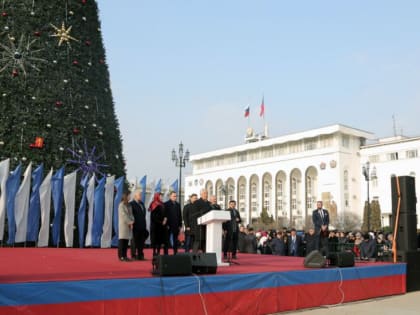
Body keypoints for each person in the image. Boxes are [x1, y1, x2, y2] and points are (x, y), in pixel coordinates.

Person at [190, 189, 212, 253]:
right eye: (204, 193)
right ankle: (194, 256)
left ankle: (205, 257)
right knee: (198, 241)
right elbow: (194, 214)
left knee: (205, 241)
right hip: (199, 226)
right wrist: (204, 211)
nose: (206, 195)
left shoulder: (209, 203)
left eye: (207, 193)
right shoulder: (197, 202)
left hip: (208, 225)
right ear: (201, 194)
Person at [129, 190, 148, 260]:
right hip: (135, 226)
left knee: (141, 241)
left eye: (141, 194)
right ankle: (133, 255)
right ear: (135, 196)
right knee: (134, 241)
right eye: (139, 195)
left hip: (142, 226)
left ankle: (140, 255)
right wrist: (131, 223)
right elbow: (130, 215)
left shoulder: (142, 204)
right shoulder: (131, 204)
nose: (141, 196)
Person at [118, 192, 134, 262]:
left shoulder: (129, 205)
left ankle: (125, 256)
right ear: (126, 196)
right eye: (129, 196)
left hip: (129, 225)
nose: (130, 197)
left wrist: (132, 221)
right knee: (122, 241)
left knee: (126, 241)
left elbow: (131, 214)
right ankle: (121, 256)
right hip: (123, 225)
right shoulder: (121, 205)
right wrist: (130, 222)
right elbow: (123, 215)